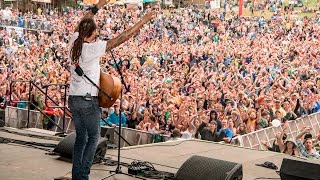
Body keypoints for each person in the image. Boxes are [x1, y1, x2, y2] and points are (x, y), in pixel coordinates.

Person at [55, 1, 155, 179]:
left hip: (74, 98)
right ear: (92, 33)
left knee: (80, 138)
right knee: (93, 138)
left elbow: (83, 22)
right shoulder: (91, 49)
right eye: (95, 31)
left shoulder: (73, 43)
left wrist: (98, 6)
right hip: (87, 100)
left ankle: (77, 175)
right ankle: (82, 176)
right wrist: (144, 20)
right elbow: (121, 38)